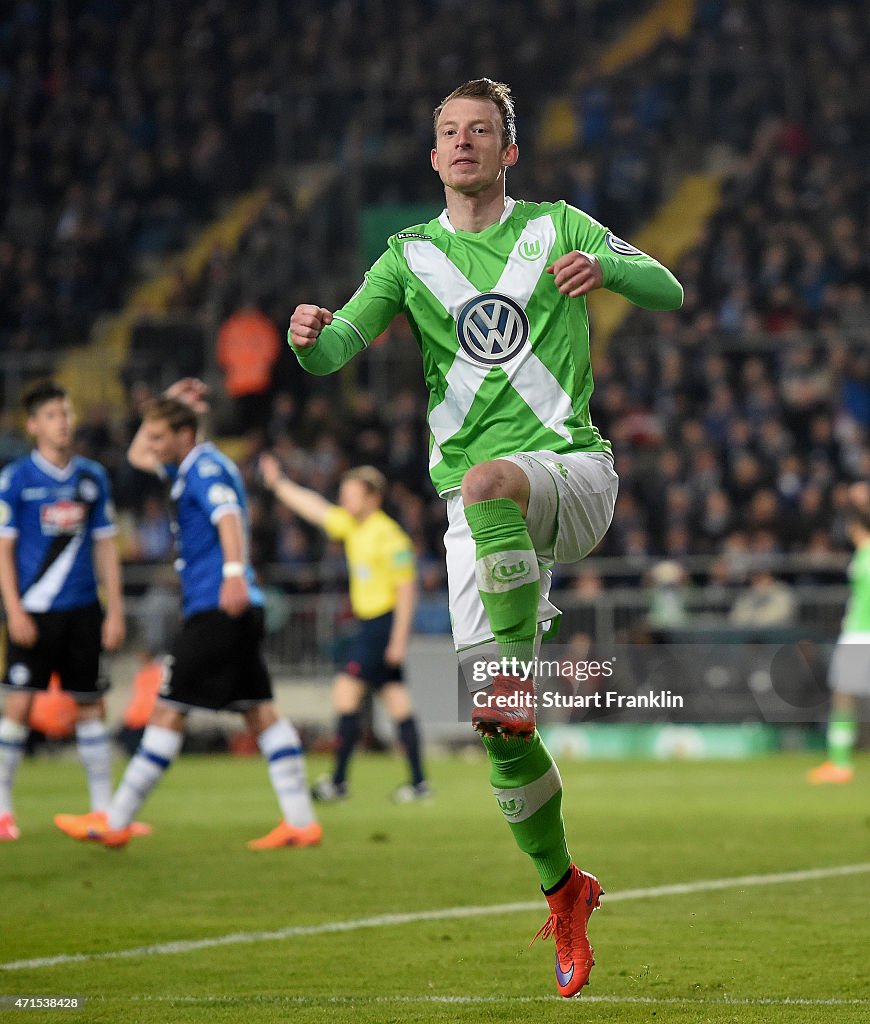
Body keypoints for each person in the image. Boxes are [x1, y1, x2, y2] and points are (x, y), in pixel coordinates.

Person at [287, 79, 683, 997]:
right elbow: (338, 346)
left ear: (509, 151)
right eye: (449, 133)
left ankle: (513, 674)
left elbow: (665, 284)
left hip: (570, 475)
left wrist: (607, 270)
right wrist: (308, 340)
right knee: (498, 735)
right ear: (433, 157)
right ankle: (565, 888)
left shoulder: (558, 226)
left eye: (482, 132)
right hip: (480, 523)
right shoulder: (406, 255)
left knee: (490, 481)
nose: (464, 144)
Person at [55, 380, 321, 850]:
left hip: (219, 606)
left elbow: (228, 518)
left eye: (160, 436)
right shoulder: (188, 465)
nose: (151, 445)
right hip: (231, 606)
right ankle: (301, 821)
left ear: (184, 433)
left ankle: (115, 821)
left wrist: (234, 572)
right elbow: (139, 456)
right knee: (259, 713)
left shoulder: (205, 467)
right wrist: (166, 400)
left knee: (167, 707)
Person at [259, 453, 429, 802]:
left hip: (381, 625)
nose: (344, 499)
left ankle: (338, 781)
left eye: (351, 493)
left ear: (372, 498)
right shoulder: (353, 526)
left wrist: (397, 641)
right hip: (371, 624)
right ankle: (418, 783)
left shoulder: (391, 537)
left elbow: (407, 590)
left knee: (345, 690)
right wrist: (279, 484)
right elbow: (315, 508)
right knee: (397, 702)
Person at [0, 380, 126, 842]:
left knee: (90, 706)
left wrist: (114, 610)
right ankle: (2, 810)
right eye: (53, 415)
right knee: (18, 705)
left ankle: (103, 810)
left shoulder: (92, 476)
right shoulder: (16, 479)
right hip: (33, 612)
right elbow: (3, 549)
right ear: (33, 425)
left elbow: (106, 544)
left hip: (83, 610)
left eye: (67, 413)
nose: (64, 422)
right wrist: (13, 610)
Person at [807, 501, 870, 784]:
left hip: (860, 634)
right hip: (859, 631)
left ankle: (840, 762)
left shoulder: (866, 556)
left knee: (844, 697)